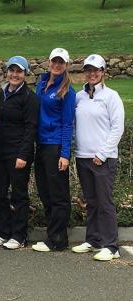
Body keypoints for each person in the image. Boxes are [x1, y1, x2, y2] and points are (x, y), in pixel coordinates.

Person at [72, 54, 125, 261]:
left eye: (96, 70)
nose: (91, 74)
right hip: (83, 156)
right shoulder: (79, 96)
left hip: (103, 158)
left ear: (103, 72)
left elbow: (117, 127)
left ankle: (111, 246)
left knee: (104, 202)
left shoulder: (111, 96)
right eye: (88, 70)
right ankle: (93, 240)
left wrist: (102, 153)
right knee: (91, 202)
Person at [0, 56, 39, 250]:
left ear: (25, 74)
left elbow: (30, 128)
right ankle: (4, 231)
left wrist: (23, 155)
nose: (14, 75)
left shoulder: (29, 97)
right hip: (0, 151)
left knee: (19, 195)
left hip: (18, 153)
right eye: (12, 71)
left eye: (19, 71)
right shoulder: (1, 94)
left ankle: (19, 235)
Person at [32, 48, 76, 252]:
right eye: (54, 61)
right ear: (49, 62)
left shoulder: (67, 91)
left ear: (66, 66)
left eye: (61, 62)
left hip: (55, 145)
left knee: (58, 194)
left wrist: (65, 154)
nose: (57, 65)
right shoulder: (42, 85)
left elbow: (68, 124)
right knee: (45, 191)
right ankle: (52, 233)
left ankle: (58, 239)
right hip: (41, 144)